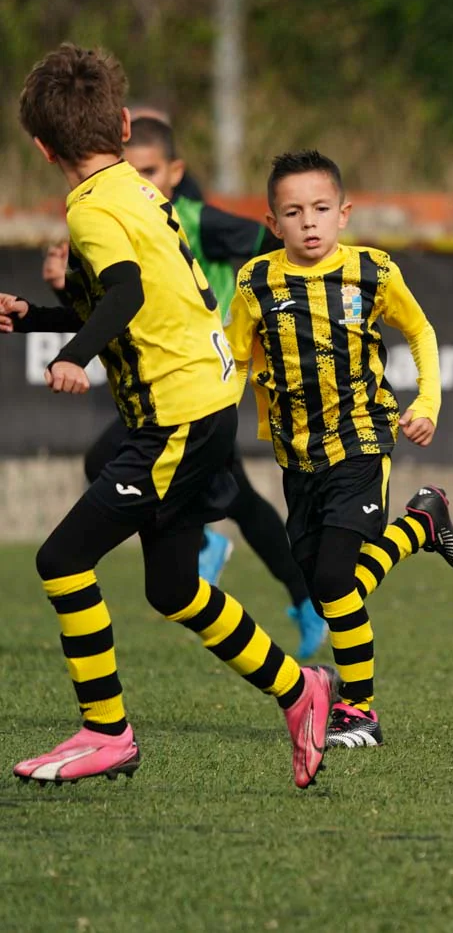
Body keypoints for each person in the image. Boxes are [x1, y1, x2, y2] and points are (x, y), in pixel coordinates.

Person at [2, 42, 336, 788]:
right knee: (173, 587)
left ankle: (106, 731)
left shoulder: (89, 211)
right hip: (208, 403)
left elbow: (123, 295)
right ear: (123, 125)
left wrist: (75, 357)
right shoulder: (139, 190)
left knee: (60, 559)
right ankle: (301, 687)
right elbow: (130, 296)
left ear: (41, 146)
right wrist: (34, 320)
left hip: (175, 416)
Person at [45, 117, 329, 659]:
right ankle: (284, 590)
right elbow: (110, 302)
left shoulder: (185, 217)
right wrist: (60, 293)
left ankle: (248, 567)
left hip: (202, 379)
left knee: (113, 476)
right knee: (231, 501)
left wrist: (258, 308)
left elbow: (273, 245)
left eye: (152, 169)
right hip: (181, 386)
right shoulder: (128, 213)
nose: (142, 175)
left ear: (175, 172)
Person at [226, 149, 453, 749]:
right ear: (273, 221)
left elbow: (420, 330)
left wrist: (429, 403)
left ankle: (358, 710)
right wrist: (209, 432)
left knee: (337, 582)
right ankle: (420, 525)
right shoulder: (255, 282)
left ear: (344, 213)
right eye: (293, 211)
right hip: (297, 457)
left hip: (361, 443)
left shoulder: (373, 273)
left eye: (320, 208)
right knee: (325, 589)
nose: (308, 221)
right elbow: (234, 362)